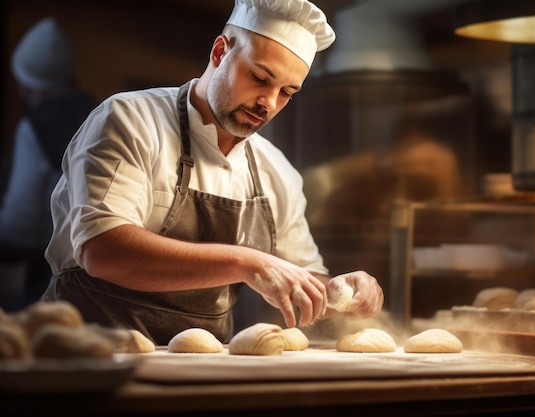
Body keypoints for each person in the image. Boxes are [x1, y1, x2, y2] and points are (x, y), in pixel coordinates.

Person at [41, 0, 384, 345]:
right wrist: (247, 263)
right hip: (88, 359)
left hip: (200, 371)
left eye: (286, 93)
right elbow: (102, 251)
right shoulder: (130, 120)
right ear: (220, 51)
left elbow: (300, 279)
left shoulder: (276, 171)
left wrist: (342, 293)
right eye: (260, 78)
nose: (269, 102)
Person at [0, 17, 96, 311]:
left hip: (51, 286)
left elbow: (21, 226)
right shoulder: (100, 115)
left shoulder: (35, 129)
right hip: (103, 287)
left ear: (30, 87)